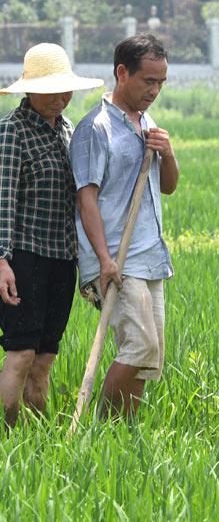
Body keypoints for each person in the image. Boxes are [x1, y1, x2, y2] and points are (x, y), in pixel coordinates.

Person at [70, 34, 178, 419]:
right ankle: (104, 427)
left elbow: (167, 186)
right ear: (122, 72)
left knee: (149, 357)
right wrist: (104, 260)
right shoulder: (95, 128)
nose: (155, 90)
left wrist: (167, 153)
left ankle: (123, 432)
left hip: (149, 255)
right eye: (148, 81)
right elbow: (87, 200)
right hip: (116, 257)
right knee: (139, 346)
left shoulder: (148, 123)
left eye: (161, 83)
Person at [0, 43, 103, 428]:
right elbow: (2, 199)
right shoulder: (11, 133)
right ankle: (8, 437)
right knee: (21, 354)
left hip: (63, 260)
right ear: (29, 90)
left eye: (66, 90)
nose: (61, 98)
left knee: (44, 360)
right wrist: (1, 261)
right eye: (52, 90)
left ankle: (37, 441)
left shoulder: (67, 131)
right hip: (23, 258)